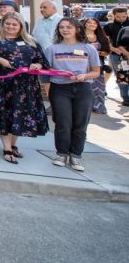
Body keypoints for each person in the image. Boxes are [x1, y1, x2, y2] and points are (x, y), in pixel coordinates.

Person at [0, 12, 49, 164]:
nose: (10, 27)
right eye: (7, 24)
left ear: (21, 26)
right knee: (3, 114)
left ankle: (13, 144)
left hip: (24, 86)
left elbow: (41, 60)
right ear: (2, 24)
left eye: (14, 24)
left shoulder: (30, 41)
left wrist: (36, 65)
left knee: (18, 114)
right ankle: (7, 148)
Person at [45, 17, 100, 172]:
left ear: (77, 29)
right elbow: (46, 73)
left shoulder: (89, 49)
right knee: (63, 122)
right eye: (62, 27)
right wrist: (50, 92)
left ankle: (75, 155)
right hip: (60, 89)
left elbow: (96, 72)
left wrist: (85, 76)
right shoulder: (52, 49)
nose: (65, 30)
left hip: (83, 89)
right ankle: (61, 153)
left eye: (69, 27)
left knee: (80, 124)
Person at [82, 17, 111, 114]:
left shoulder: (101, 37)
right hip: (82, 64)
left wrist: (95, 52)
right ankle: (86, 107)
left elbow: (106, 52)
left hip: (98, 65)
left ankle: (99, 106)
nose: (92, 24)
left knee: (99, 87)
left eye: (94, 23)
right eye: (89, 22)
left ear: (97, 25)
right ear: (85, 24)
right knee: (86, 86)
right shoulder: (79, 36)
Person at [102, 7, 129, 106]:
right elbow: (106, 41)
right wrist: (113, 49)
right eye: (118, 17)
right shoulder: (109, 26)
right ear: (113, 15)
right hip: (116, 55)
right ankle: (125, 98)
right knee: (121, 76)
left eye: (124, 16)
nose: (121, 18)